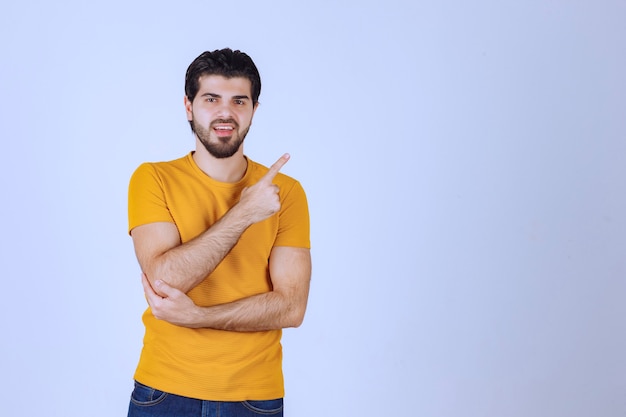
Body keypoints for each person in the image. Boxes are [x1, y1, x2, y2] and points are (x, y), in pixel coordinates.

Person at [126, 48, 311, 417]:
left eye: (239, 101)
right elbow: (165, 279)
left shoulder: (286, 193)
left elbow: (291, 307)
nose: (226, 113)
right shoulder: (153, 179)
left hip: (254, 398)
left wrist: (198, 316)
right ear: (189, 106)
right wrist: (244, 212)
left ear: (254, 111)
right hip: (163, 392)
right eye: (211, 99)